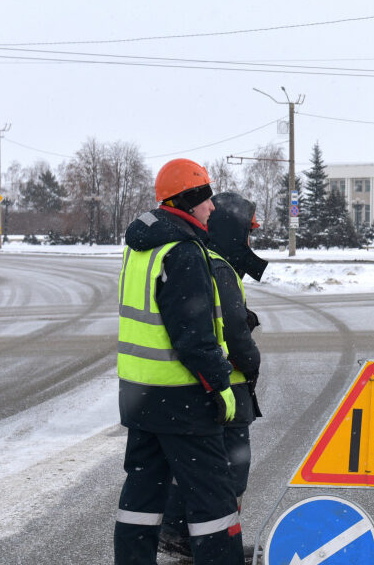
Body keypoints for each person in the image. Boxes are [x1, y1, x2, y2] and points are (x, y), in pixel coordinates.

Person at [114, 158, 244, 565]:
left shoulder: (141, 248)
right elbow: (194, 337)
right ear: (187, 201)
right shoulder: (183, 252)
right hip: (182, 399)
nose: (212, 207)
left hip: (139, 395)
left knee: (141, 497)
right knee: (214, 501)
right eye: (205, 198)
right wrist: (220, 386)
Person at [158, 192, 269, 561]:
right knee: (229, 472)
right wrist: (251, 363)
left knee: (198, 468)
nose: (250, 242)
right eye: (248, 233)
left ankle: (182, 534)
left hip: (203, 387)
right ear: (234, 232)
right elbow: (235, 335)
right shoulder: (219, 267)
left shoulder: (204, 259)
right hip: (227, 390)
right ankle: (212, 542)